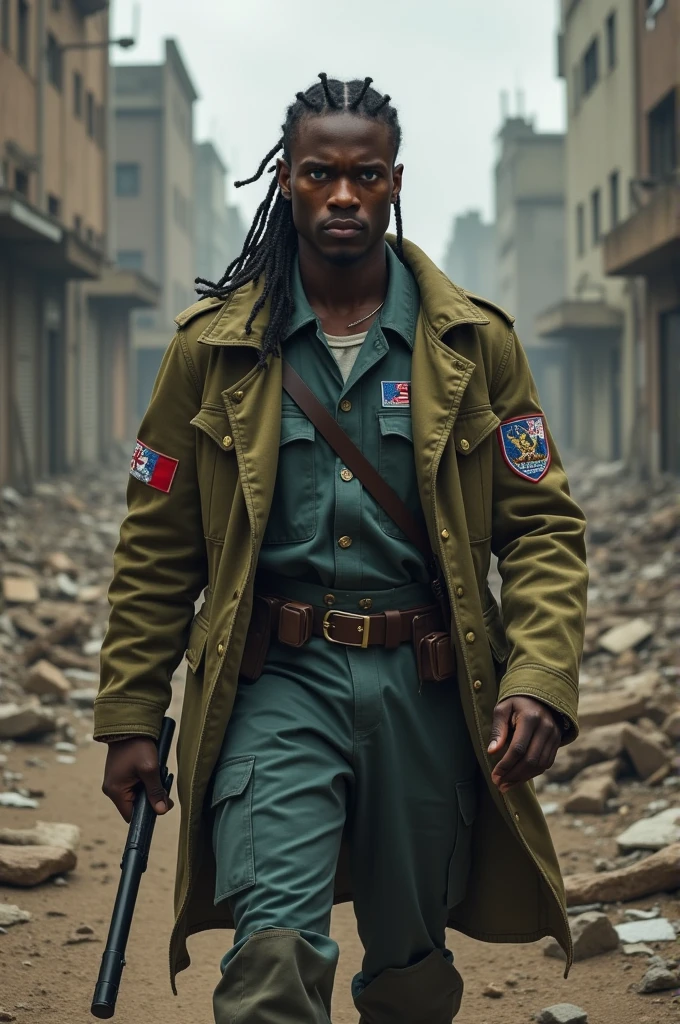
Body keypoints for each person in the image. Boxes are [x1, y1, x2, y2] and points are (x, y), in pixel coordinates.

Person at [96, 74, 588, 1024]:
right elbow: (156, 544)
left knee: (410, 970)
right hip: (276, 681)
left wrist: (539, 680)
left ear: (395, 180)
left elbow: (542, 528)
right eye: (321, 174)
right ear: (287, 181)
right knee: (273, 949)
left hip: (430, 691)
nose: (345, 196)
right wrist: (130, 710)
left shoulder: (473, 345)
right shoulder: (214, 350)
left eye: (366, 175)